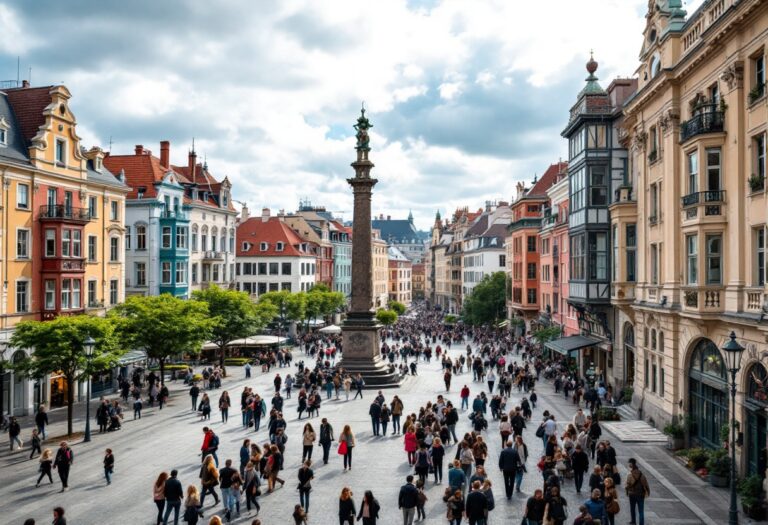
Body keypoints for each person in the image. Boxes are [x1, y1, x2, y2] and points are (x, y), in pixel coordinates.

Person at [625, 457, 650, 525]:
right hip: (640, 494)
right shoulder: (642, 475)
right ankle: (641, 523)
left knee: (632, 509)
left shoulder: (630, 476)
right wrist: (648, 491)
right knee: (641, 511)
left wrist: (627, 490)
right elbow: (646, 484)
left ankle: (633, 521)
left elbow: (627, 485)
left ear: (631, 465)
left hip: (632, 494)